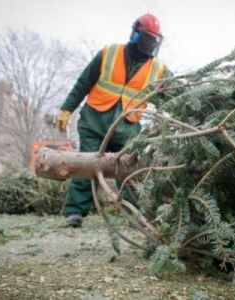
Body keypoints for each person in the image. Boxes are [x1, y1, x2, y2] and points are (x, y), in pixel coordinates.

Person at [55, 13, 168, 227]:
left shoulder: (158, 70)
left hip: (127, 128)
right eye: (147, 37)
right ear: (135, 33)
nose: (150, 43)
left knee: (128, 170)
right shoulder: (109, 54)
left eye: (153, 39)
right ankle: (75, 213)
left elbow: (173, 94)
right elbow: (83, 83)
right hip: (93, 122)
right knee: (86, 165)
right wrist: (66, 109)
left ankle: (135, 214)